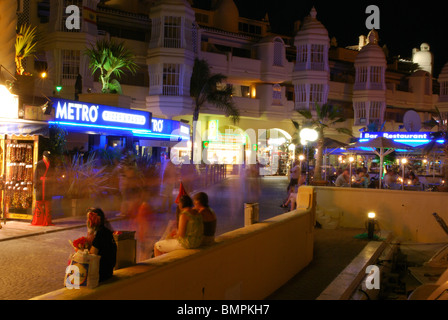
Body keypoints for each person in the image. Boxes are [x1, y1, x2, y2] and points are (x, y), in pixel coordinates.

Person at [87, 208, 117, 282]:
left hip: (102, 273)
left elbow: (92, 255)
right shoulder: (106, 231)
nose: (87, 221)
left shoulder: (100, 234)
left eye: (89, 219)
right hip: (109, 271)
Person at [31, 151, 54, 226]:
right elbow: (36, 174)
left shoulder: (51, 164)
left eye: (48, 157)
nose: (47, 158)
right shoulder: (40, 163)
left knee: (48, 203)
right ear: (43, 156)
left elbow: (53, 174)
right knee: (39, 203)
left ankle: (47, 220)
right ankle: (38, 220)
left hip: (48, 185)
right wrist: (36, 184)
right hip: (40, 185)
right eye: (46, 156)